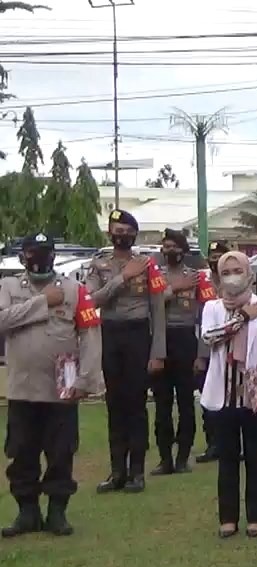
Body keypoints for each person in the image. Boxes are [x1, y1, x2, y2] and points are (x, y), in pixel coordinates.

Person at [0, 233, 103, 538]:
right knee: (22, 453)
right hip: (22, 388)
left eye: (45, 253)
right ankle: (27, 513)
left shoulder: (75, 290)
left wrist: (87, 380)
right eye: (33, 253)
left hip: (62, 389)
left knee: (61, 452)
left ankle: (57, 512)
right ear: (22, 257)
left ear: (54, 256)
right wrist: (42, 303)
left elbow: (89, 336)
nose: (39, 259)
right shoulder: (7, 287)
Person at [199, 251, 257, 539]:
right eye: (227, 272)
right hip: (222, 393)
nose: (233, 276)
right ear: (218, 277)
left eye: (238, 270)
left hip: (255, 392)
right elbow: (209, 338)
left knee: (255, 454)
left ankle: (256, 517)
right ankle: (228, 518)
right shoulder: (212, 307)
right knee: (227, 456)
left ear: (249, 274)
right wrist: (240, 319)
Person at [86, 209, 167, 493]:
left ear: (134, 233)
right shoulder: (99, 264)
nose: (121, 235)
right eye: (116, 230)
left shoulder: (148, 264)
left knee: (135, 405)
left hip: (137, 334)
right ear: (110, 232)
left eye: (126, 231)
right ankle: (116, 471)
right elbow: (91, 300)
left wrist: (158, 352)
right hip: (110, 333)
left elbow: (158, 309)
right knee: (114, 404)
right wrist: (123, 278)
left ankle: (137, 472)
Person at [151, 228, 212, 476]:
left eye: (174, 247)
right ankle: (164, 458)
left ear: (184, 250)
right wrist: (175, 288)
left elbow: (206, 316)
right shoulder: (156, 275)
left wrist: (201, 354)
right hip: (162, 340)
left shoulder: (197, 278)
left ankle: (183, 457)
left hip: (187, 340)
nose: (169, 251)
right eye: (165, 247)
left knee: (186, 403)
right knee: (162, 403)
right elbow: (153, 304)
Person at [195, 239, 230, 464]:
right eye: (212, 256)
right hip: (206, 347)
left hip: (232, 350)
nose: (215, 260)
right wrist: (199, 355)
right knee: (209, 399)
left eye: (220, 255)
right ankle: (213, 444)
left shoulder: (237, 279)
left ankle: (232, 444)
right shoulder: (201, 281)